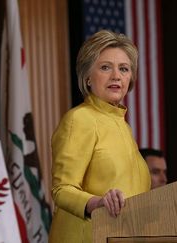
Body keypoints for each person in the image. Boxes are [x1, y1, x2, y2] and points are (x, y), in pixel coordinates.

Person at [49, 30, 151, 243]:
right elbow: (62, 189)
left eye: (124, 69)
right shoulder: (80, 119)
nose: (116, 75)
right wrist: (98, 203)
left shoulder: (123, 127)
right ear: (87, 77)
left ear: (130, 77)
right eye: (105, 67)